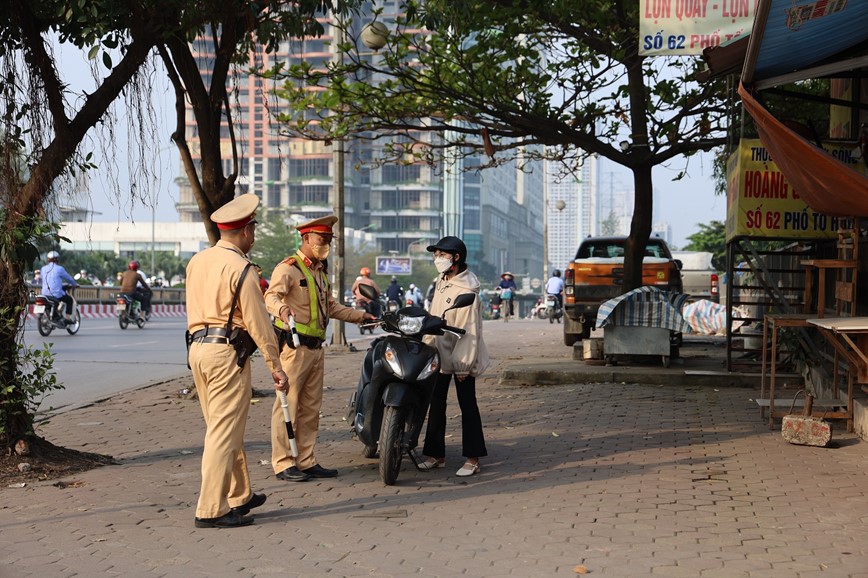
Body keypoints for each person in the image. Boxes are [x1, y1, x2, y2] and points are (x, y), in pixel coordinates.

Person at [185, 193, 289, 529]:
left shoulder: (197, 262)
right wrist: (276, 366)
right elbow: (259, 324)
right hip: (225, 354)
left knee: (224, 427)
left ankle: (239, 495)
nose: (254, 236)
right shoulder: (241, 268)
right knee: (222, 433)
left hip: (198, 350)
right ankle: (211, 510)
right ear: (245, 232)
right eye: (254, 229)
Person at [264, 215, 376, 482]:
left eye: (328, 240)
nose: (325, 243)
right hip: (294, 347)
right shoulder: (288, 268)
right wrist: (282, 308)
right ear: (305, 238)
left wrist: (361, 316)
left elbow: (331, 307)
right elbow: (270, 296)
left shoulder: (320, 272)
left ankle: (305, 459)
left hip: (316, 349)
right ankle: (283, 463)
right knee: (287, 406)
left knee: (311, 407)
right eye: (321, 239)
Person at [417, 236, 489, 477]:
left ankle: (473, 458)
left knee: (467, 405)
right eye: (435, 254)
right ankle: (435, 454)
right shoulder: (442, 280)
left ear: (456, 258)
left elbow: (470, 331)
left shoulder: (467, 288)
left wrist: (463, 365)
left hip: (460, 357)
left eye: (442, 255)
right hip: (438, 353)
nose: (437, 259)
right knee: (435, 404)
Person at [40, 251, 79, 323]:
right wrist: (75, 284)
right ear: (57, 259)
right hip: (55, 294)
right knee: (69, 300)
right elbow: (68, 278)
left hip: (44, 294)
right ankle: (68, 317)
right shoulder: (60, 269)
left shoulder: (43, 269)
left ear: (48, 259)